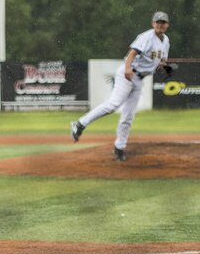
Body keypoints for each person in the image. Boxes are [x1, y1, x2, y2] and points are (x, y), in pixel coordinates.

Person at [70, 11, 171, 161]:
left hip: (139, 79)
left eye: (163, 22)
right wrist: (128, 69)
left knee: (128, 116)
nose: (160, 25)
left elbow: (159, 63)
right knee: (113, 104)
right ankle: (79, 124)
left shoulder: (166, 41)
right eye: (158, 22)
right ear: (152, 23)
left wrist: (165, 67)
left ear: (167, 25)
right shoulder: (147, 37)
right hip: (128, 74)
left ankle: (119, 147)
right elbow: (132, 53)